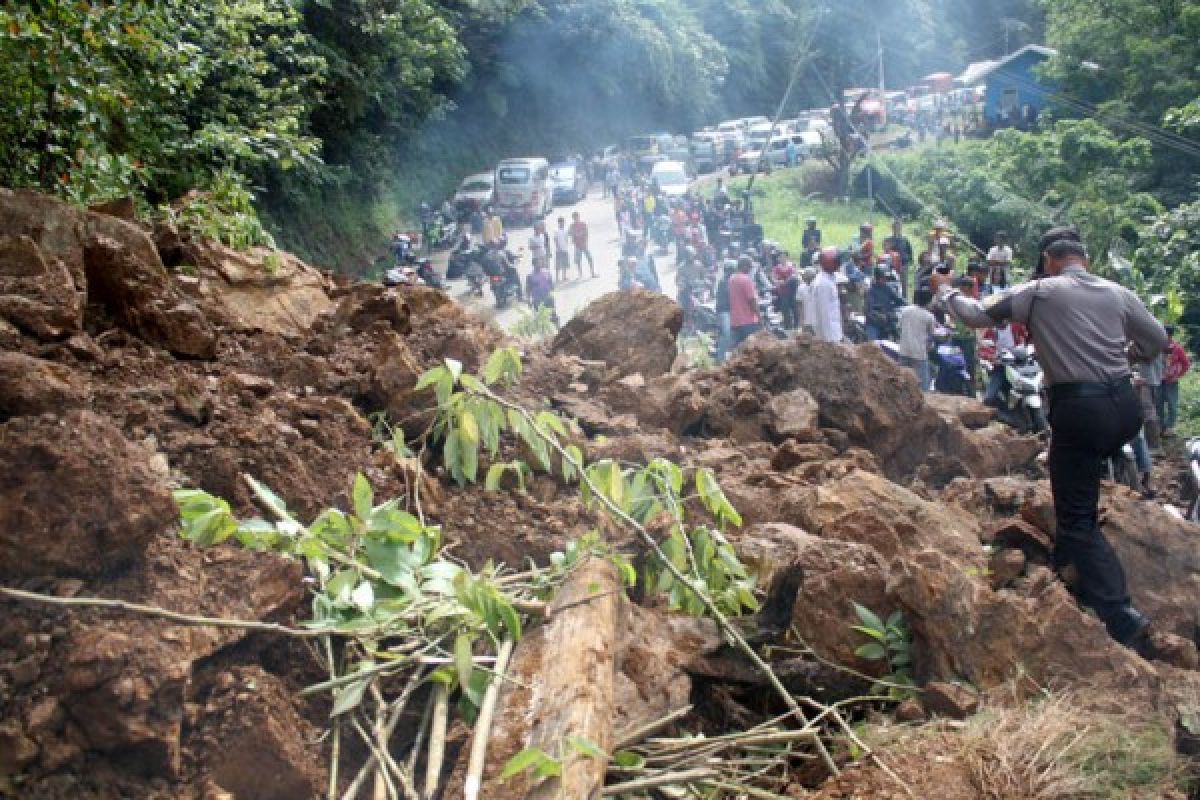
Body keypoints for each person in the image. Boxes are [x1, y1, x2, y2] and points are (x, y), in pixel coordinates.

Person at [939, 230, 1167, 648]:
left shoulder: (1039, 291)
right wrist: (1127, 357)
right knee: (1076, 488)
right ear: (1084, 258)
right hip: (1124, 409)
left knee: (1077, 517)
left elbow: (974, 315)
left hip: (1081, 410)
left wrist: (948, 292)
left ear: (1049, 259)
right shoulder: (1118, 293)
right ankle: (1068, 568)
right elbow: (1157, 342)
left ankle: (1120, 615)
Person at [897, 288, 937, 391]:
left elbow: (899, 327)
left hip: (904, 351)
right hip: (919, 354)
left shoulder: (905, 311)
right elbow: (932, 334)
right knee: (923, 385)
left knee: (902, 382)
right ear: (928, 301)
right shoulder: (929, 316)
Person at [1160, 325, 1191, 436]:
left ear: (1169, 334)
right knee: (1158, 404)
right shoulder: (1158, 346)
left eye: (1164, 333)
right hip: (1158, 380)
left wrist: (1179, 375)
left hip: (1171, 382)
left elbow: (1186, 364)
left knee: (1172, 404)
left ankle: (1170, 427)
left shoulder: (1177, 348)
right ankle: (1161, 427)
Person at [812, 247, 843, 344]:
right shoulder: (823, 284)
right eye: (837, 262)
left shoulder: (829, 278)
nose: (839, 264)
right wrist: (828, 341)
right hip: (830, 337)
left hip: (834, 332)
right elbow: (824, 314)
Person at [728, 256, 761, 347]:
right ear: (744, 266)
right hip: (748, 321)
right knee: (752, 350)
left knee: (739, 351)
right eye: (749, 267)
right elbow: (752, 301)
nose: (750, 269)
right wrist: (759, 318)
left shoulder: (732, 279)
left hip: (735, 321)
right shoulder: (746, 280)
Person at [865, 266, 904, 340]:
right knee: (873, 344)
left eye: (886, 278)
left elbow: (898, 299)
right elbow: (869, 309)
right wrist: (879, 315)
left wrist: (910, 305)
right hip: (874, 323)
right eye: (883, 278)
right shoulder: (870, 291)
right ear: (877, 278)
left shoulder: (887, 288)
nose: (885, 280)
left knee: (899, 335)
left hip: (886, 321)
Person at [883, 218, 914, 296]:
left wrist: (908, 262)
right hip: (892, 265)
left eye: (899, 226)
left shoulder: (904, 239)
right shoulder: (888, 239)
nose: (897, 228)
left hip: (903, 264)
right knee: (892, 282)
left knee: (904, 284)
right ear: (892, 227)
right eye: (895, 226)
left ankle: (904, 302)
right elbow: (885, 251)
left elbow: (909, 251)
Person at [714, 260, 736, 363]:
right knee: (726, 333)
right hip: (724, 311)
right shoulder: (724, 282)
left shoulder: (730, 281)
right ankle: (720, 358)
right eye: (732, 270)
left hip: (731, 310)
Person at [570, 211, 595, 278]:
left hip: (584, 244)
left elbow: (586, 233)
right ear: (573, 218)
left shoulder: (583, 224)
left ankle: (592, 272)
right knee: (578, 261)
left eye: (577, 217)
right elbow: (572, 235)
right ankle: (580, 274)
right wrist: (575, 238)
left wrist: (585, 241)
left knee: (590, 258)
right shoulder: (572, 226)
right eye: (574, 217)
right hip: (577, 245)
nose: (576, 219)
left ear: (579, 217)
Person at [553, 216, 571, 282]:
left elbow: (567, 238)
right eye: (560, 222)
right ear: (558, 223)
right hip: (559, 250)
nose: (561, 223)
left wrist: (566, 245)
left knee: (565, 263)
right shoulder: (556, 230)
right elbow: (555, 240)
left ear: (564, 222)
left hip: (565, 249)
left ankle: (564, 276)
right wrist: (558, 247)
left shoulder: (566, 230)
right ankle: (557, 278)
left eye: (562, 222)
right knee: (558, 264)